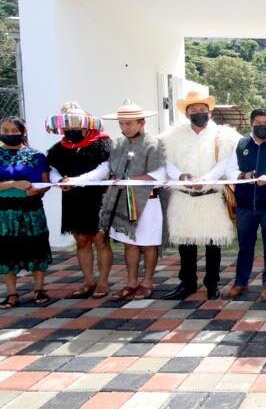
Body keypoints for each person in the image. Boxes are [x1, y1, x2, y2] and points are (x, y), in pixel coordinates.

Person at [160, 91, 240, 300]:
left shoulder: (223, 136)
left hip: (211, 197)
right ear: (187, 114)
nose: (199, 114)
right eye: (194, 111)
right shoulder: (172, 138)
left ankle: (212, 284)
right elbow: (167, 162)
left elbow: (225, 162)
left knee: (213, 244)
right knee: (186, 244)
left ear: (209, 112)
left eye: (202, 110)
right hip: (183, 196)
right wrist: (182, 176)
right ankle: (187, 283)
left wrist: (205, 179)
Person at [0, 116, 52, 309]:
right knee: (5, 251)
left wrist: (39, 189)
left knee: (36, 248)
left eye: (14, 131)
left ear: (23, 133)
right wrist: (13, 184)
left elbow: (46, 184)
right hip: (2, 213)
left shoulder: (37, 156)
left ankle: (39, 289)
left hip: (31, 210)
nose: (9, 134)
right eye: (5, 130)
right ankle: (12, 293)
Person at [222, 108, 266, 302]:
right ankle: (240, 282)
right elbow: (230, 169)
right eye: (257, 124)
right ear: (251, 125)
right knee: (245, 245)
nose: (261, 126)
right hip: (245, 205)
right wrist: (242, 176)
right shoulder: (241, 144)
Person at [44, 103, 113, 299]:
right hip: (73, 198)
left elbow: (103, 170)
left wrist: (75, 181)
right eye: (67, 126)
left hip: (97, 197)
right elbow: (52, 169)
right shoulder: (58, 149)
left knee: (100, 239)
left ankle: (103, 283)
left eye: (75, 125)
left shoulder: (102, 144)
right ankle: (89, 281)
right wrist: (59, 182)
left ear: (86, 126)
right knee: (81, 241)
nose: (71, 130)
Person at [99, 100, 166, 301]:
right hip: (123, 201)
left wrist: (129, 181)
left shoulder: (154, 144)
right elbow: (108, 169)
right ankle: (131, 282)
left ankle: (147, 282)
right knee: (130, 244)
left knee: (149, 244)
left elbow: (160, 175)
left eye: (129, 123)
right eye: (121, 123)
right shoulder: (117, 145)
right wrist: (78, 180)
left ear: (141, 122)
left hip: (148, 202)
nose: (124, 127)